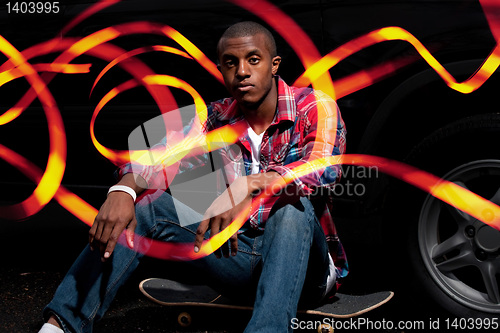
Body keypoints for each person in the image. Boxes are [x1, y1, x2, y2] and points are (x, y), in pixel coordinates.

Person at [39, 21, 347, 333]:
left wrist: (249, 184)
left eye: (253, 60)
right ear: (221, 69)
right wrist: (123, 190)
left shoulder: (315, 106)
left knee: (291, 209)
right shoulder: (214, 116)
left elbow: (322, 171)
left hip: (305, 267)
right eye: (231, 62)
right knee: (150, 205)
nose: (242, 71)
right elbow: (156, 156)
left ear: (274, 65)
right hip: (239, 261)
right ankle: (61, 325)